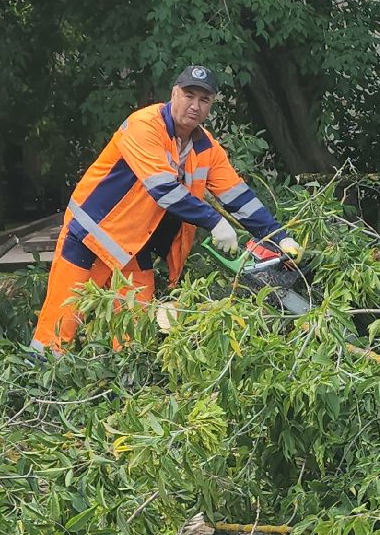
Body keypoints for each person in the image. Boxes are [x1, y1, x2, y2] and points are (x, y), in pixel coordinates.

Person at [30, 65, 302, 351]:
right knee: (61, 323)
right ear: (174, 93)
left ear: (211, 105)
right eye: (189, 95)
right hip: (89, 236)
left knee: (136, 325)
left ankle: (127, 378)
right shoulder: (144, 126)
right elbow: (163, 190)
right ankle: (37, 379)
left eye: (204, 100)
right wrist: (215, 222)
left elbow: (238, 196)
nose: (194, 106)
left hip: (134, 243)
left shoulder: (206, 148)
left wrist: (277, 236)